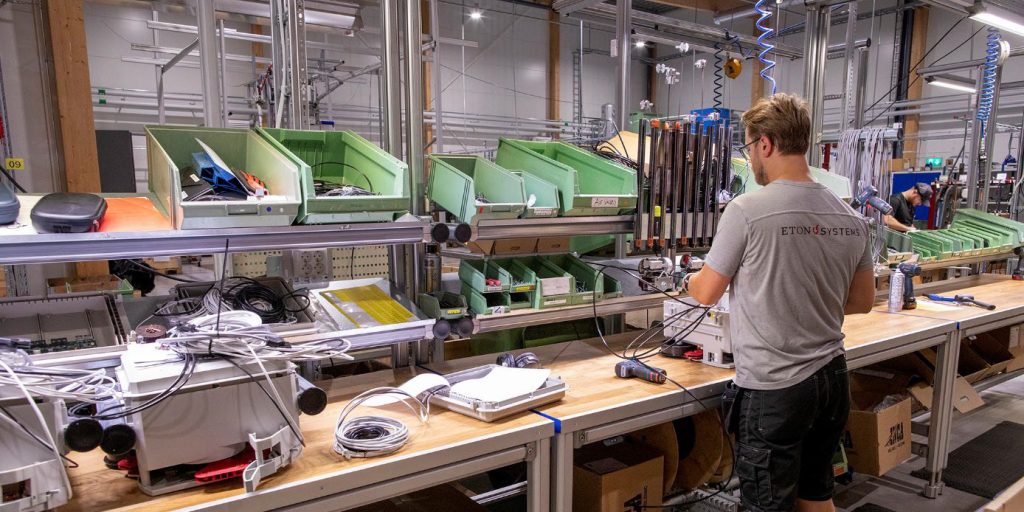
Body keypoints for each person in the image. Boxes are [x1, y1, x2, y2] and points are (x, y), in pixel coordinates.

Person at [681, 93, 875, 512]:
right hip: (832, 379)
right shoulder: (851, 217)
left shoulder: (747, 210)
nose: (750, 159)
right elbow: (862, 301)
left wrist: (688, 276)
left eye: (748, 148)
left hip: (776, 389)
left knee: (768, 504)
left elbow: (706, 293)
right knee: (817, 494)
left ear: (765, 144)